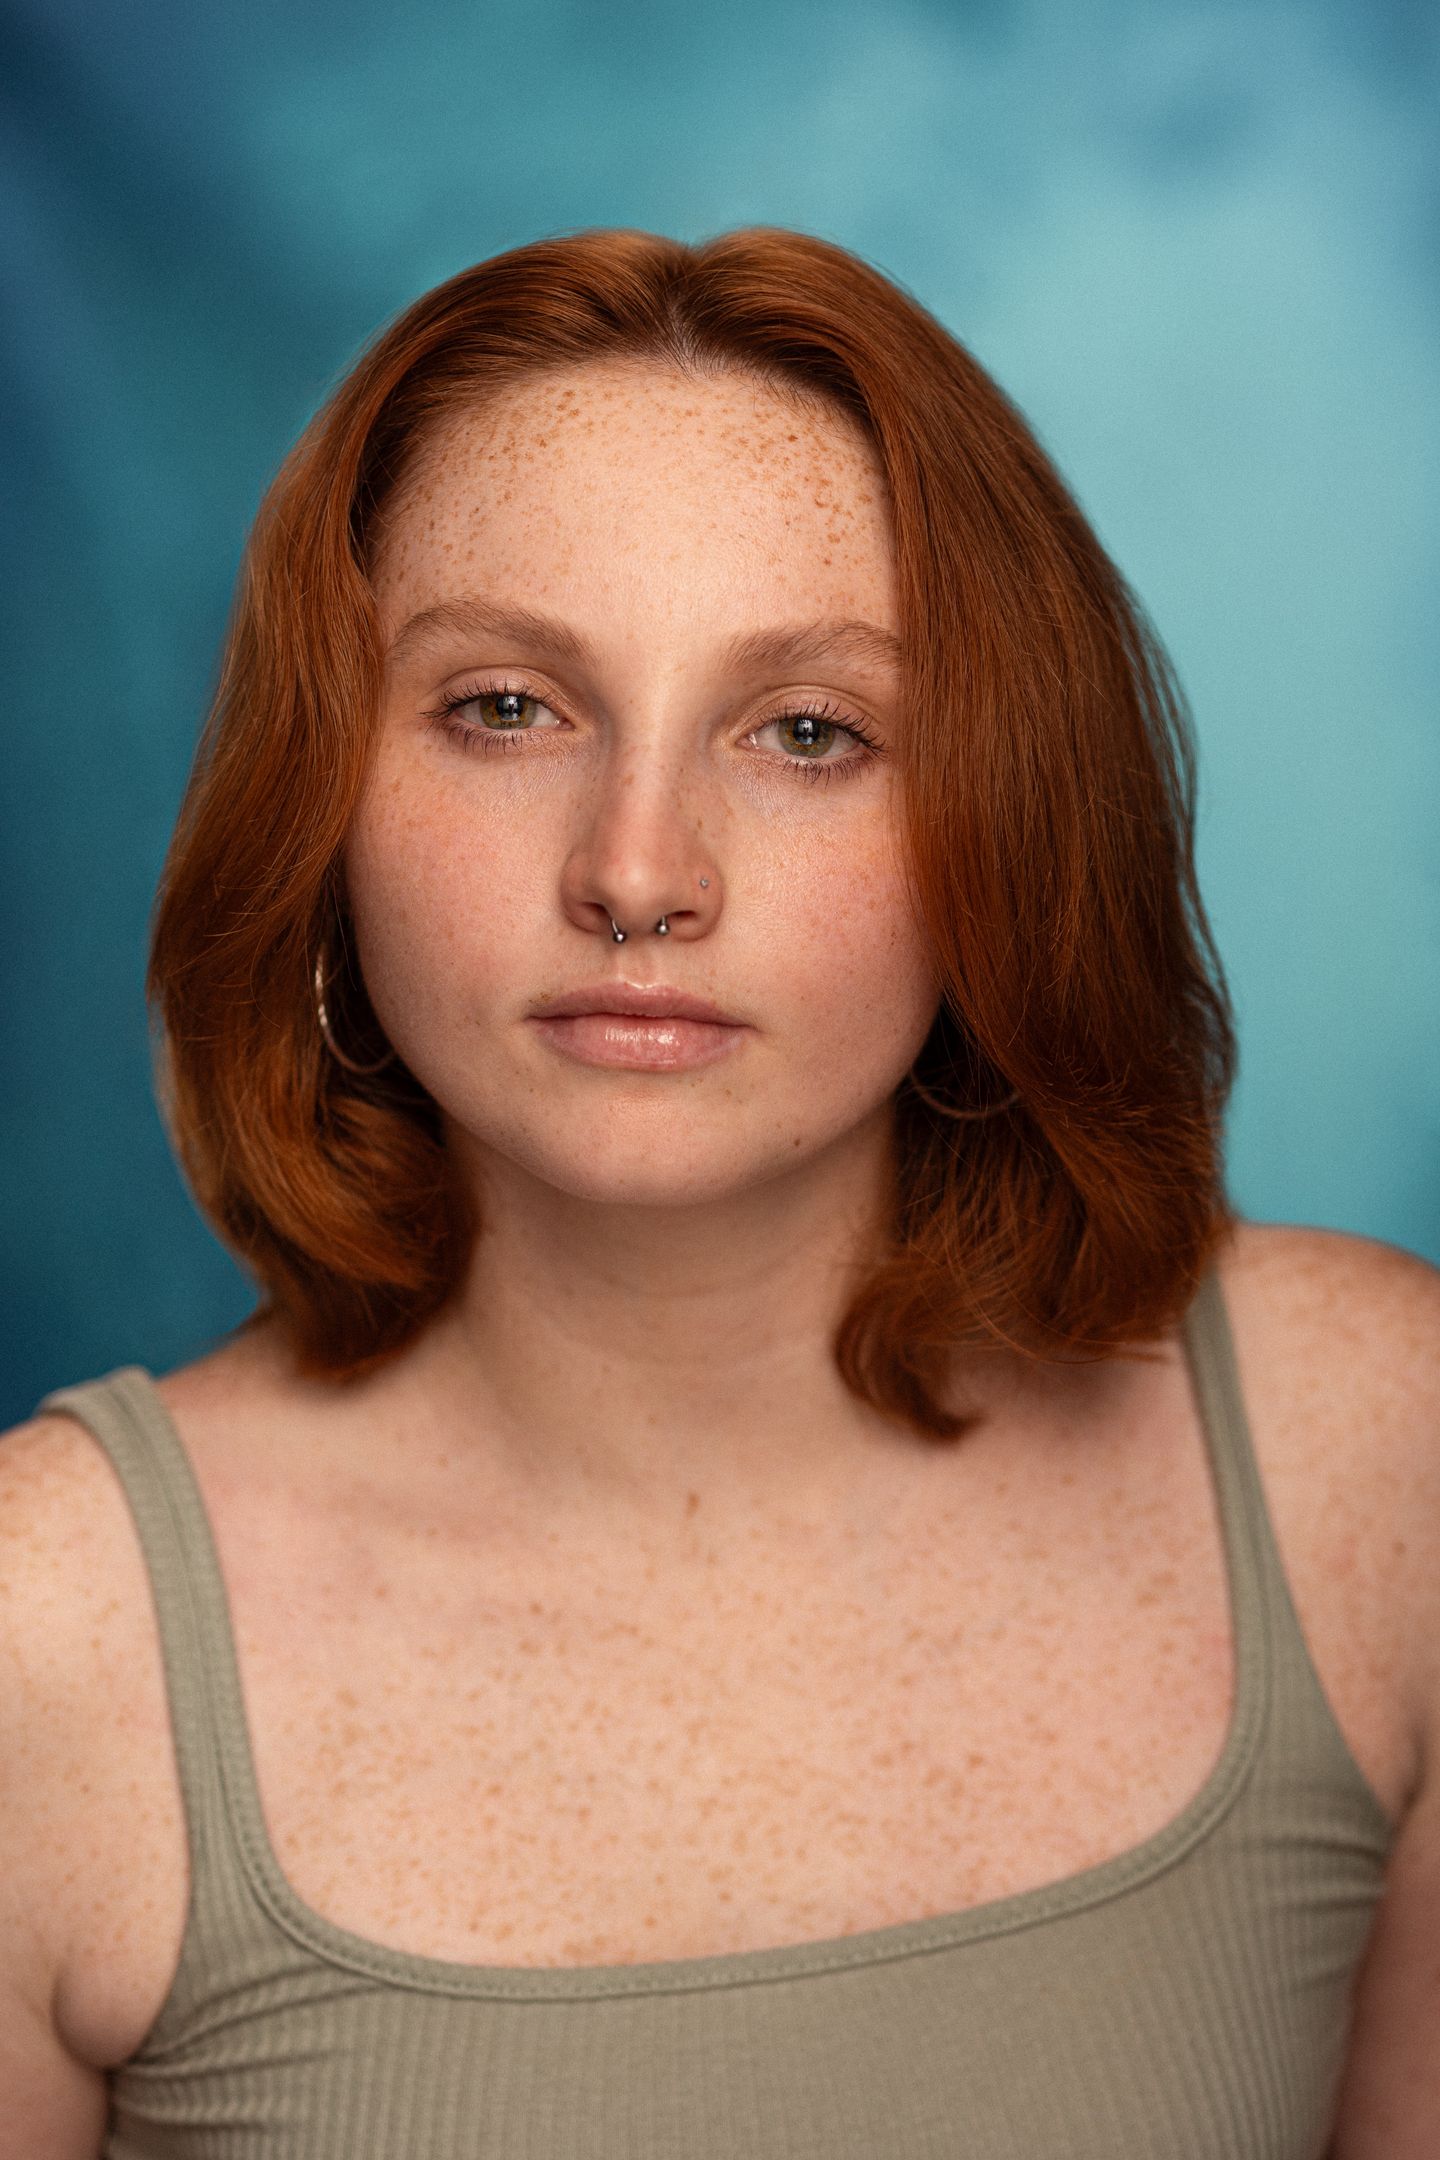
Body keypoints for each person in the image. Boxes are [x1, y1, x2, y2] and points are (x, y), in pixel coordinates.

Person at [2, 226, 1435, 2159]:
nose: (639, 871)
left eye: (810, 731)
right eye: (507, 706)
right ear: (318, 797)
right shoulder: (45, 1640)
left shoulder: (1377, 1454)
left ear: (1007, 825)